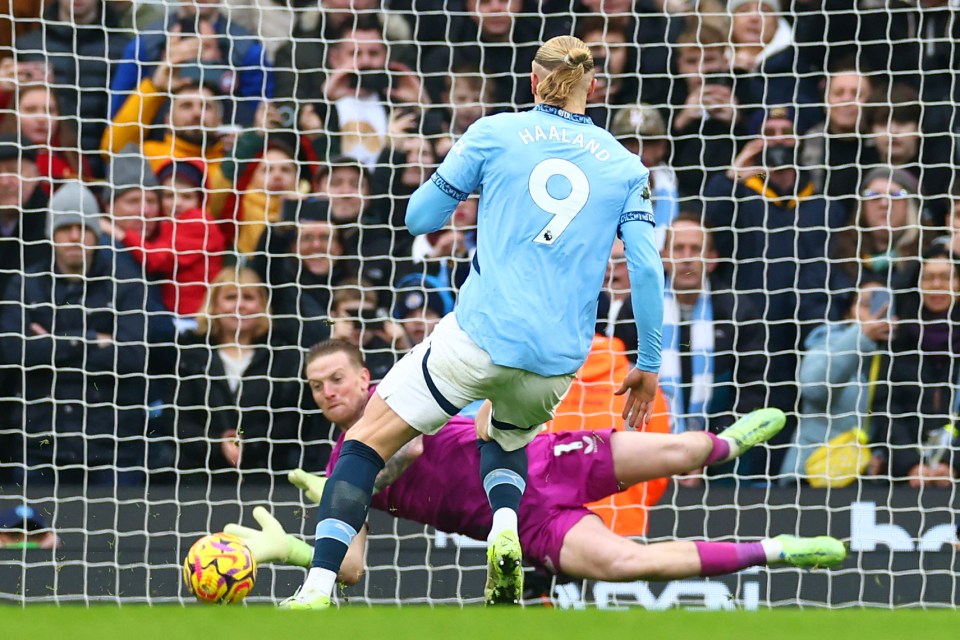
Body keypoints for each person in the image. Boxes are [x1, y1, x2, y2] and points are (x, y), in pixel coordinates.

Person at [284, 35, 751, 610]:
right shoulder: (627, 166)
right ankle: (506, 523)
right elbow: (647, 269)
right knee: (505, 435)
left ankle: (316, 587)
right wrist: (649, 364)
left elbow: (417, 219)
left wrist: (463, 187)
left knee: (362, 443)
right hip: (556, 360)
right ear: (592, 88)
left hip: (481, 334)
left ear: (533, 82)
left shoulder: (493, 133)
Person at [225, 340, 845, 597]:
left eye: (337, 378)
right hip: (527, 529)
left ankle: (728, 447)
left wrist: (349, 487)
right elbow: (352, 567)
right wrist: (296, 550)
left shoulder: (405, 392)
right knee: (628, 563)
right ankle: (778, 548)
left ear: (365, 377)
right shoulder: (345, 469)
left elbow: (408, 449)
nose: (328, 391)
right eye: (317, 387)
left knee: (678, 451)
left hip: (542, 462)